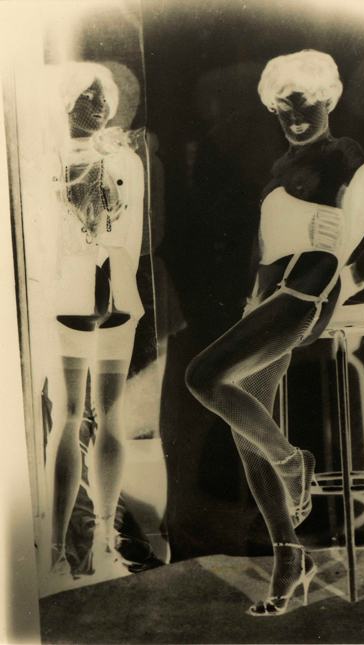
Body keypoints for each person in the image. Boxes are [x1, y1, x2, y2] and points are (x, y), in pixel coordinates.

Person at [186, 49, 364, 616]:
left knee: (203, 377)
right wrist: (251, 305)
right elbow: (267, 249)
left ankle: (292, 464)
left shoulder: (343, 154)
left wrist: (348, 279)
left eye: (304, 100)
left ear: (327, 99)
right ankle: (290, 557)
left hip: (307, 290)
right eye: (282, 104)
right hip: (268, 301)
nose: (294, 114)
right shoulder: (279, 167)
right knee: (245, 427)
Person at [44, 61, 145, 579]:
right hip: (68, 294)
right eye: (88, 96)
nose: (100, 106)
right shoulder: (49, 156)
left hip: (115, 292)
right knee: (68, 414)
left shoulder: (124, 157)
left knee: (110, 411)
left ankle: (106, 537)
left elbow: (132, 233)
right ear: (66, 101)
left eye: (103, 96)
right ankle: (56, 548)